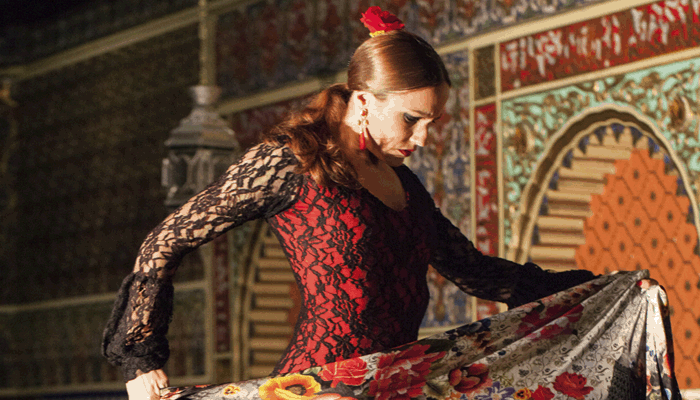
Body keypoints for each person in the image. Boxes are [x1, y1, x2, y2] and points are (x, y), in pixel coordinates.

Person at [102, 7, 597, 400]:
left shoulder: (405, 185)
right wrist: (140, 359)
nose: (423, 138)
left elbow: (474, 271)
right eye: (411, 119)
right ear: (364, 102)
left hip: (395, 384)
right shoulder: (289, 163)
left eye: (433, 122)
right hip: (320, 388)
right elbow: (164, 241)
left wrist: (594, 291)